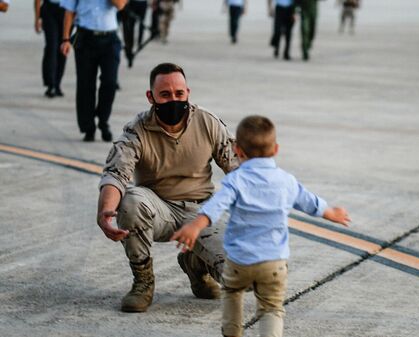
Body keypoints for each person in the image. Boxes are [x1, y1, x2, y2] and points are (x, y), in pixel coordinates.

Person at [172, 115, 350, 337]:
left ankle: (232, 332)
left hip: (239, 260)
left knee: (232, 293)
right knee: (272, 309)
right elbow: (309, 201)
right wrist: (330, 212)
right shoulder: (285, 181)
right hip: (273, 262)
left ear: (238, 150)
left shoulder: (236, 180)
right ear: (275, 149)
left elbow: (216, 206)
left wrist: (196, 225)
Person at [96, 63, 239, 312]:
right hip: (158, 209)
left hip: (202, 212)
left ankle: (195, 264)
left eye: (179, 94)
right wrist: (106, 212)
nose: (173, 100)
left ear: (188, 93)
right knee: (130, 200)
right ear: (151, 97)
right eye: (165, 95)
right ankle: (143, 282)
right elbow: (116, 174)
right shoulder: (137, 130)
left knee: (239, 275)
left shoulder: (207, 122)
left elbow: (238, 168)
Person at [60, 0, 125, 142]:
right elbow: (69, 12)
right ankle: (88, 127)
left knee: (110, 82)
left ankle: (103, 121)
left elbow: (120, 5)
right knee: (85, 84)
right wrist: (65, 39)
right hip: (85, 37)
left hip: (109, 38)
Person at [35, 0, 67, 98]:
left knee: (63, 48)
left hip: (66, 10)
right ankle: (50, 84)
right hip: (49, 10)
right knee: (51, 46)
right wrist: (37, 18)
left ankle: (57, 83)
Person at [120, 0, 148, 67]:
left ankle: (139, 43)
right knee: (130, 28)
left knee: (141, 25)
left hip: (143, 3)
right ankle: (130, 49)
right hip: (132, 3)